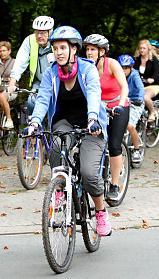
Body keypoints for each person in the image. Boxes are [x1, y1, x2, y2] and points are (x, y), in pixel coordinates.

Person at [25, 26, 111, 236]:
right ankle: (60, 189)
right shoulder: (51, 73)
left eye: (63, 48)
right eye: (55, 48)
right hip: (65, 123)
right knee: (56, 147)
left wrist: (93, 118)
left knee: (90, 174)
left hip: (92, 126)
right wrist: (34, 123)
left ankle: (100, 211)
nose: (59, 52)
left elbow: (93, 92)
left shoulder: (87, 69)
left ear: (74, 49)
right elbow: (44, 97)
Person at [83, 34, 129, 201]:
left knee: (114, 145)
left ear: (102, 51)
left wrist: (120, 104)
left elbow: (124, 87)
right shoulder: (86, 66)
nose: (89, 53)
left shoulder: (113, 64)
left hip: (117, 106)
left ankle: (115, 184)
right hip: (97, 109)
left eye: (93, 50)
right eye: (87, 49)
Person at [8, 16, 55, 114]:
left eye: (42, 33)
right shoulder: (30, 41)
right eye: (37, 32)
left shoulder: (56, 41)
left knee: (54, 109)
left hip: (57, 81)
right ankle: (37, 128)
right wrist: (12, 82)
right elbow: (20, 61)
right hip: (39, 83)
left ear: (50, 32)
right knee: (31, 104)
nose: (39, 36)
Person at [117, 54, 145, 163]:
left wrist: (140, 99)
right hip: (121, 101)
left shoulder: (134, 75)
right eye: (121, 68)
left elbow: (141, 89)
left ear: (131, 68)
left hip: (135, 102)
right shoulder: (116, 75)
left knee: (129, 125)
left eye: (126, 68)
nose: (123, 71)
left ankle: (137, 150)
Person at [133, 39, 159, 122]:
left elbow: (157, 73)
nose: (142, 50)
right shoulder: (137, 60)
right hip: (140, 85)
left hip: (152, 85)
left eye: (144, 48)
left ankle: (152, 111)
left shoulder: (154, 60)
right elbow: (133, 72)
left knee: (145, 97)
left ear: (148, 49)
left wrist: (152, 79)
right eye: (140, 48)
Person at [0, 41, 17, 129]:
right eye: (0, 51)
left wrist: (12, 79)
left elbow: (17, 74)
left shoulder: (14, 62)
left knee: (2, 96)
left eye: (4, 50)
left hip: (10, 90)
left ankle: (9, 119)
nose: (2, 53)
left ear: (9, 51)